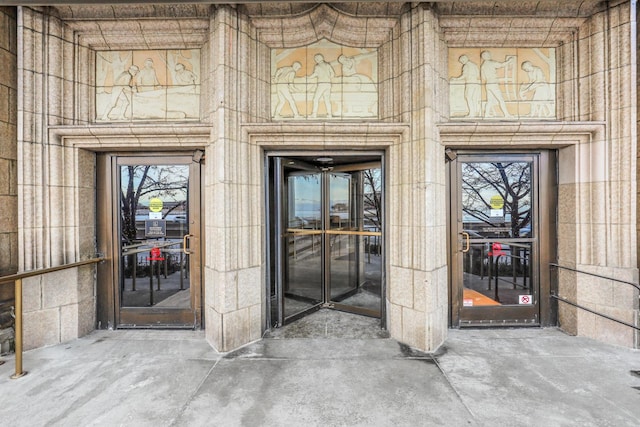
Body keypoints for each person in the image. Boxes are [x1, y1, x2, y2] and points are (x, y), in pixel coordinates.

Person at [480, 51, 513, 118]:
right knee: (501, 99)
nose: (490, 55)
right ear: (485, 56)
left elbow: (483, 77)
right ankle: (506, 114)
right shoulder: (491, 63)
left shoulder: (483, 66)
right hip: (493, 83)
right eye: (488, 54)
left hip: (488, 84)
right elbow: (501, 65)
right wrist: (509, 61)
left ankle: (486, 115)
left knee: (489, 101)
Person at [308, 54, 335, 118]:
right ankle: (329, 114)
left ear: (319, 59)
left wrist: (309, 77)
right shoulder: (328, 65)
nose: (315, 60)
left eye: (316, 59)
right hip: (328, 84)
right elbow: (333, 74)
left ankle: (314, 114)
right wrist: (328, 78)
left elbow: (315, 74)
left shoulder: (317, 66)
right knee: (327, 100)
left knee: (315, 99)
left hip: (321, 84)